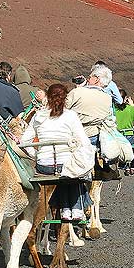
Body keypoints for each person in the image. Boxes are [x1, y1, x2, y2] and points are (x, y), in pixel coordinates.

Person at [21, 84, 92, 220]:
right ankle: (75, 208)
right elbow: (83, 141)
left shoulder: (38, 116)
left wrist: (36, 155)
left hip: (44, 166)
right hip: (64, 165)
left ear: (47, 97)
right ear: (65, 99)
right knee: (74, 169)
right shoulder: (71, 116)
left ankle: (66, 208)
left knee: (63, 172)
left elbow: (25, 141)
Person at [65, 64, 113, 146]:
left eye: (90, 77)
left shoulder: (77, 92)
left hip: (77, 135)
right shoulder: (108, 98)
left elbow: (62, 108)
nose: (88, 79)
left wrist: (79, 88)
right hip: (96, 135)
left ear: (97, 79)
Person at [114, 89, 134, 175]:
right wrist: (132, 105)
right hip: (129, 134)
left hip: (118, 135)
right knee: (132, 149)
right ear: (125, 98)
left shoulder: (113, 110)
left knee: (123, 150)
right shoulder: (130, 109)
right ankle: (133, 167)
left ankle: (125, 167)